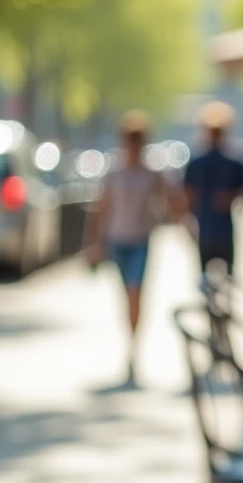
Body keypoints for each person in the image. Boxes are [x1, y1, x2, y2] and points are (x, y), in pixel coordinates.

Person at [86, 110, 169, 384]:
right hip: (117, 240)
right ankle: (129, 339)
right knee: (126, 295)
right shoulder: (114, 172)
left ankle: (133, 349)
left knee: (135, 294)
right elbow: (101, 209)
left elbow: (171, 199)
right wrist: (94, 244)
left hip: (141, 241)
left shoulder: (152, 173)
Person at [181, 101, 243, 275]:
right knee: (224, 275)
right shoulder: (230, 164)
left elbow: (187, 196)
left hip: (213, 228)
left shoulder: (200, 164)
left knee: (207, 276)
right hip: (212, 228)